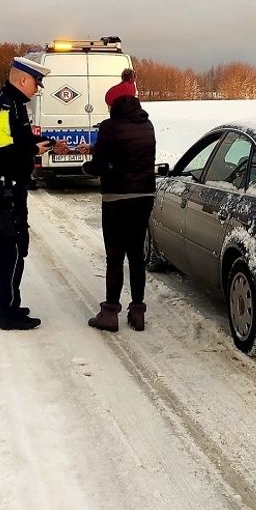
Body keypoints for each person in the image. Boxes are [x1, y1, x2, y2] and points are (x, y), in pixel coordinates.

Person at [0, 56, 55, 330]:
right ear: (23, 80)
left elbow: (17, 140)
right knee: (10, 247)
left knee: (4, 246)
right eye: (36, 83)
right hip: (4, 188)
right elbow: (0, 151)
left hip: (9, 186)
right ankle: (6, 312)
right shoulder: (5, 106)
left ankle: (6, 303)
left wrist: (42, 142)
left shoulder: (15, 105)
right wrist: (33, 150)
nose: (38, 89)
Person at [80, 92, 156, 332]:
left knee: (114, 256)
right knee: (136, 255)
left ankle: (110, 312)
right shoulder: (148, 125)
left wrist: (86, 166)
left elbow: (100, 165)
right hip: (144, 196)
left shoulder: (109, 127)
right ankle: (137, 312)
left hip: (116, 198)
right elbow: (129, 152)